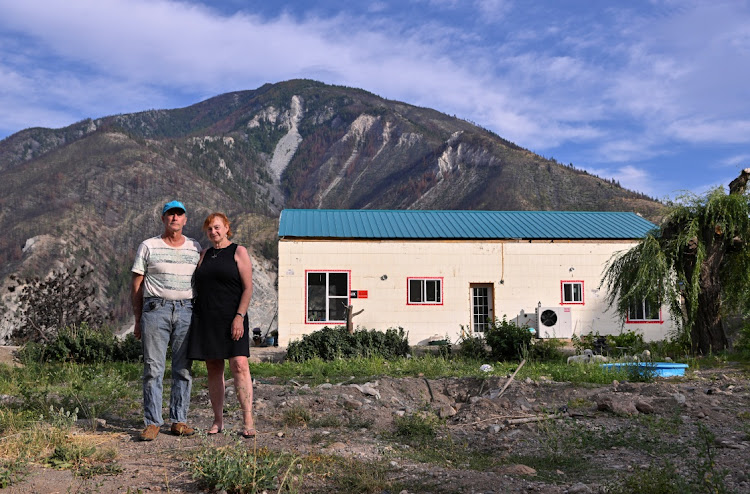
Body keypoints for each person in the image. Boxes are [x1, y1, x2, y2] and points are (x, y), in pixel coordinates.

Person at [131, 200, 202, 441]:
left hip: (186, 311)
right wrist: (138, 318)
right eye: (170, 214)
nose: (174, 218)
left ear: (185, 219)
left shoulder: (195, 247)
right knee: (153, 368)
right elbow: (137, 285)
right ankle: (153, 422)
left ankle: (179, 420)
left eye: (179, 214)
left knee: (183, 368)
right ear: (163, 218)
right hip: (156, 309)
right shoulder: (148, 246)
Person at [188, 212, 256, 438]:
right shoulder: (203, 255)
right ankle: (218, 421)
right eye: (209, 229)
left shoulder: (239, 251)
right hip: (207, 318)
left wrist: (239, 316)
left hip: (232, 317)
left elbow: (248, 288)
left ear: (227, 228)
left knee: (239, 365)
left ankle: (248, 420)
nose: (213, 232)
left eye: (217, 227)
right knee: (214, 368)